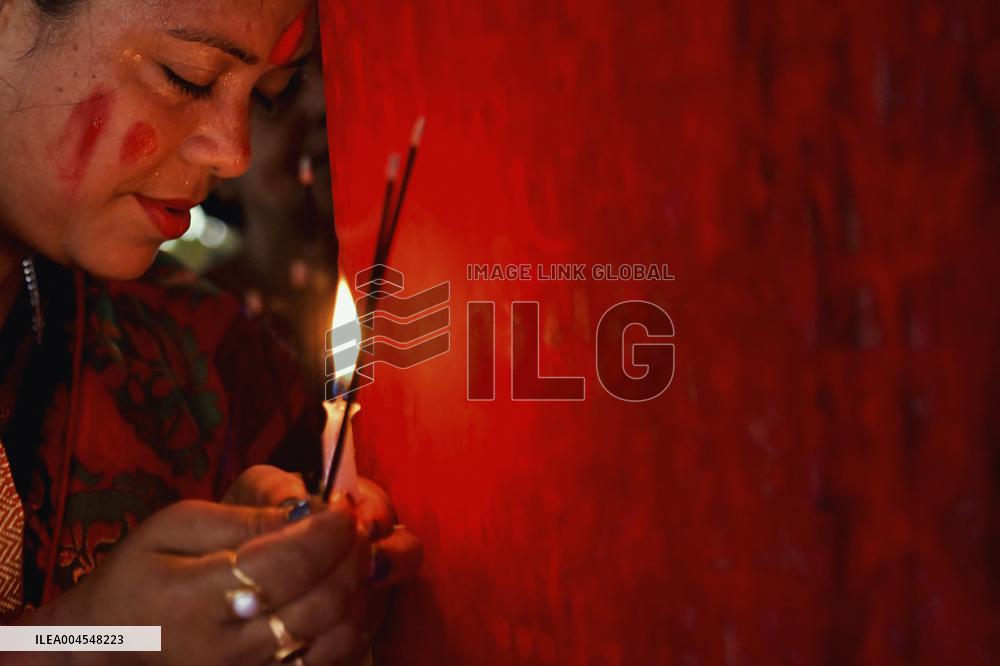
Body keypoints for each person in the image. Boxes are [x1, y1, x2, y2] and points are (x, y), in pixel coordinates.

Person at [0, 0, 422, 664]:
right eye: (188, 76)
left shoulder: (214, 364)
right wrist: (80, 645)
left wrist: (266, 585)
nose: (234, 153)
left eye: (266, 99)